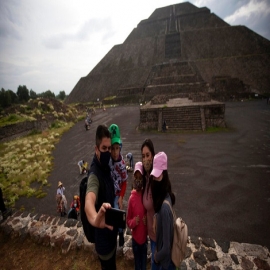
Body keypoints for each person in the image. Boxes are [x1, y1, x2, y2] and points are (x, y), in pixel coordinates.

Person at [85, 125, 118, 270]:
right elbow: (89, 202)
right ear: (96, 149)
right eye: (104, 149)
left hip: (110, 235)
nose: (108, 152)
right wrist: (94, 219)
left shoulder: (105, 167)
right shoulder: (94, 175)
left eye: (109, 148)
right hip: (104, 242)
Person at [151, 152, 175, 270]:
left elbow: (166, 248)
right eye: (154, 175)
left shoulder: (164, 208)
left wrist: (156, 257)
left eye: (158, 175)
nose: (155, 179)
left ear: (164, 174)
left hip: (165, 264)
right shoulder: (166, 195)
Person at [109, 124, 128, 247]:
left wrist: (121, 197)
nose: (115, 152)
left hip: (117, 195)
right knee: (109, 214)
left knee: (117, 213)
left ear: (120, 147)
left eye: (117, 148)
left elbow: (125, 182)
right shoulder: (108, 161)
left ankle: (120, 233)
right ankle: (113, 233)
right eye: (112, 148)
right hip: (109, 192)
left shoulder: (122, 164)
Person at [127, 162, 147, 270]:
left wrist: (146, 220)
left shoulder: (146, 196)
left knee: (143, 265)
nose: (138, 180)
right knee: (137, 265)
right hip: (135, 240)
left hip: (144, 241)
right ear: (134, 178)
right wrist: (134, 222)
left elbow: (149, 214)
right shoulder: (131, 199)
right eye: (136, 177)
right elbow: (128, 221)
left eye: (140, 178)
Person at [141, 138, 157, 270]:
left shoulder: (157, 178)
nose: (145, 159)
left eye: (148, 155)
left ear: (153, 155)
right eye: (143, 156)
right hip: (150, 233)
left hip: (158, 235)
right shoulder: (145, 177)